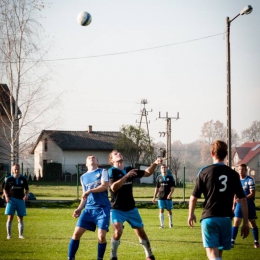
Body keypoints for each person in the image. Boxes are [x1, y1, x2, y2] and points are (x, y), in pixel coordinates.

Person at [188, 140, 249, 260]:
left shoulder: (204, 172)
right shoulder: (233, 174)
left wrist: (191, 214)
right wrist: (245, 223)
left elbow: (193, 197)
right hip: (226, 219)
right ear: (226, 154)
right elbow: (243, 200)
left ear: (211, 154)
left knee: (212, 255)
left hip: (209, 217)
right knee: (219, 254)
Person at [108, 150, 162, 260]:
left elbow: (147, 172)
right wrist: (126, 177)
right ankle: (113, 256)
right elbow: (113, 187)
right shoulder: (111, 171)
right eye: (115, 154)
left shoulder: (129, 169)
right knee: (118, 231)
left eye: (119, 153)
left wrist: (155, 163)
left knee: (141, 232)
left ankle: (149, 255)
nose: (119, 154)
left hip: (131, 209)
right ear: (111, 160)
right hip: (116, 209)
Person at [67, 155, 111, 260]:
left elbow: (105, 186)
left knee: (101, 236)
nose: (91, 157)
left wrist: (90, 190)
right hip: (88, 210)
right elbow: (84, 196)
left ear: (97, 162)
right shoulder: (83, 177)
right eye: (89, 157)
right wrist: (79, 208)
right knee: (76, 234)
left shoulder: (102, 171)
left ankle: (99, 258)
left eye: (94, 157)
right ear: (86, 163)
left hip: (102, 209)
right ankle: (70, 258)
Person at [231, 163, 259, 248]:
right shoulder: (236, 180)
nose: (240, 171)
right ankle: (232, 241)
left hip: (249, 204)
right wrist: (233, 205)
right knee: (236, 221)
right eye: (239, 169)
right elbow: (235, 194)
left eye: (242, 169)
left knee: (252, 223)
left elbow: (252, 194)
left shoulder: (250, 180)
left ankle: (256, 242)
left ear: (246, 170)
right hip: (239, 204)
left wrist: (243, 198)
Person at [3, 164, 29, 239]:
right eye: (15, 169)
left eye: (18, 169)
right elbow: (4, 189)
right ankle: (9, 235)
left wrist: (26, 195)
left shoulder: (23, 179)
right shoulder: (9, 179)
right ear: (12, 170)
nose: (17, 171)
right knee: (10, 217)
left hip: (20, 200)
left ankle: (20, 235)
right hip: (11, 200)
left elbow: (27, 189)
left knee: (20, 218)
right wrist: (6, 197)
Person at [152, 164, 175, 228]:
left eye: (164, 167)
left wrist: (170, 194)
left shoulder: (170, 177)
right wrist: (154, 197)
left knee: (169, 210)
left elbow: (172, 187)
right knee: (161, 209)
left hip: (168, 197)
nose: (163, 168)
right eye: (162, 167)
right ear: (160, 169)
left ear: (166, 168)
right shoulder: (159, 177)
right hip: (160, 197)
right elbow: (157, 188)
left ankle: (170, 223)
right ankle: (162, 225)